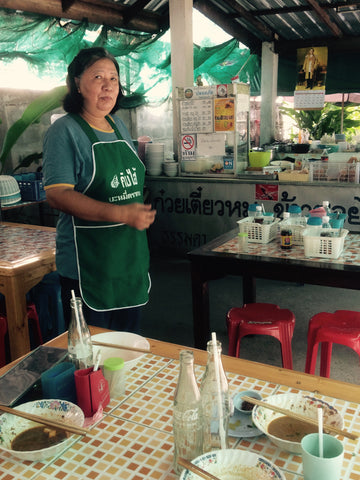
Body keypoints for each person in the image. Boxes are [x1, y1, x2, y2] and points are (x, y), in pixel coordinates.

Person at [43, 47, 156, 332]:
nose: (108, 85)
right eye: (98, 77)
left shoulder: (118, 125)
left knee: (128, 350)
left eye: (114, 78)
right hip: (89, 265)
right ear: (77, 84)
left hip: (128, 259)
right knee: (93, 358)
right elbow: (57, 194)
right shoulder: (64, 131)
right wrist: (120, 212)